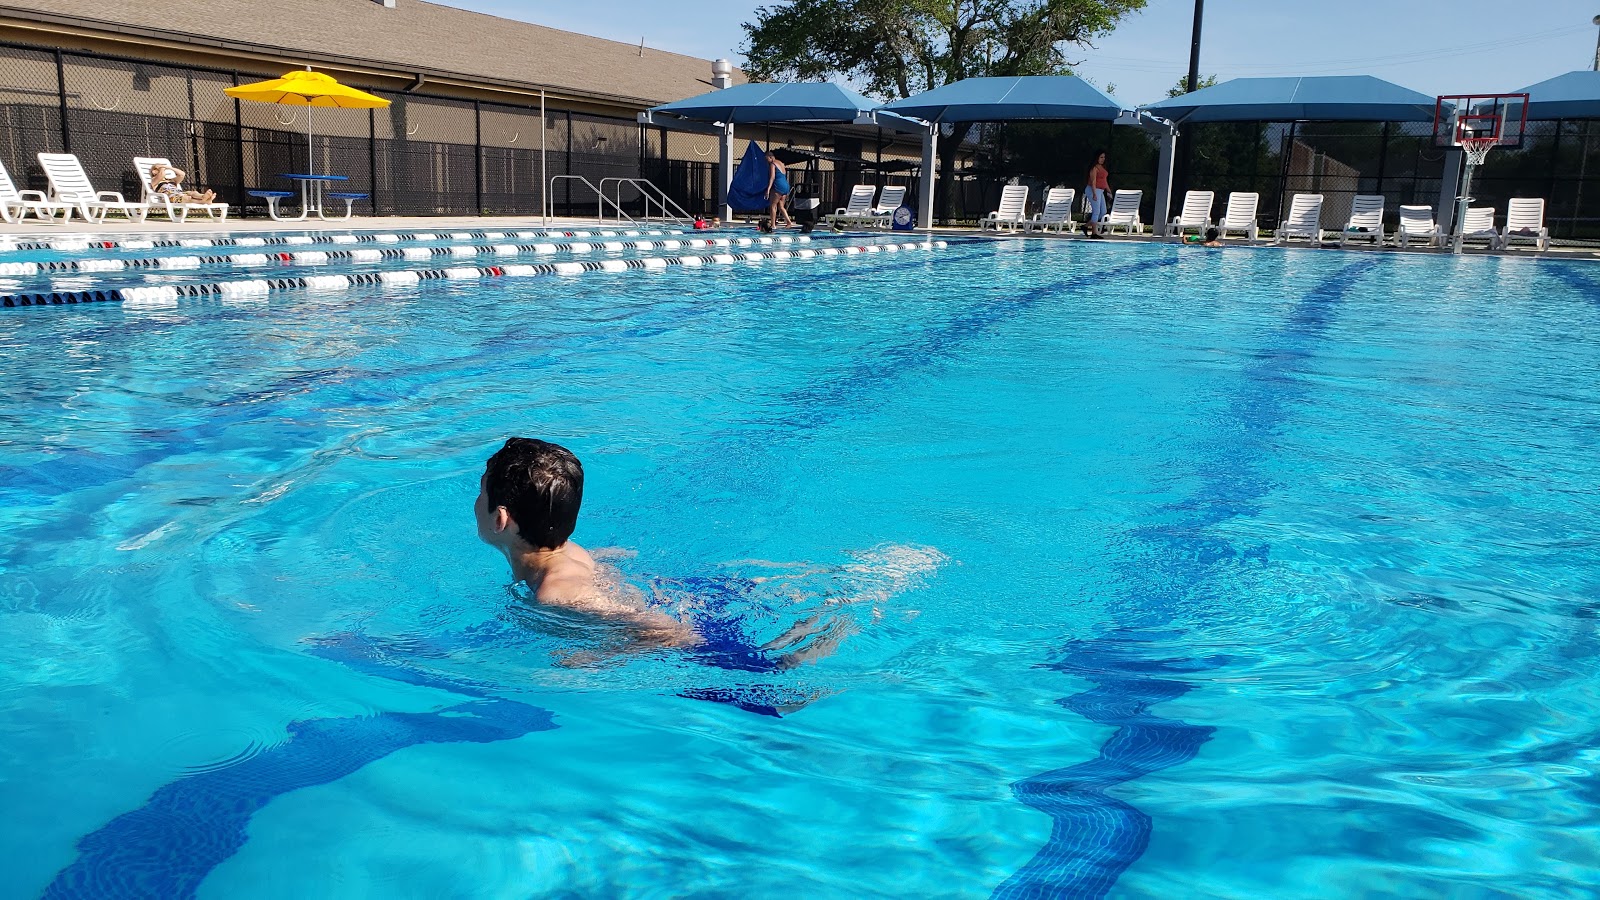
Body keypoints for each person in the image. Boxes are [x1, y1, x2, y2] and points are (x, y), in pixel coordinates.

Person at [474, 438, 838, 667]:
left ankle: (810, 645)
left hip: (695, 632)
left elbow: (667, 632)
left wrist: (595, 656)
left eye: (481, 495)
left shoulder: (555, 595)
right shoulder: (569, 550)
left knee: (777, 672)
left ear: (500, 519)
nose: (476, 503)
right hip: (691, 593)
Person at [149, 163, 216, 205]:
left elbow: (182, 174)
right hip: (170, 197)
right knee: (187, 198)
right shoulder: (154, 182)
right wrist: (163, 168)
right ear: (154, 172)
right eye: (159, 168)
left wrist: (169, 167)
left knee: (193, 193)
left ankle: (203, 197)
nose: (163, 168)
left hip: (180, 193)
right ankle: (205, 201)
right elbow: (161, 175)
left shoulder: (171, 180)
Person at [1084, 149, 1110, 238]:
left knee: (1103, 211)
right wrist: (1094, 193)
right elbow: (1093, 181)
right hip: (1093, 189)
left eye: (1104, 157)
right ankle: (1094, 233)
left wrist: (1109, 190)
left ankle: (1085, 226)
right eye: (1101, 157)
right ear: (1097, 158)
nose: (1103, 159)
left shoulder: (1102, 168)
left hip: (1100, 190)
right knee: (1096, 211)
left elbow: (1104, 181)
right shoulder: (1094, 168)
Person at [764, 151, 794, 228]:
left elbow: (772, 177)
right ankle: (789, 222)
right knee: (781, 206)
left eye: (766, 159)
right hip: (785, 185)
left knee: (773, 206)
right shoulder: (781, 163)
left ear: (770, 157)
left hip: (778, 186)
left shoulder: (772, 164)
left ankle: (773, 225)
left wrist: (768, 189)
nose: (766, 161)